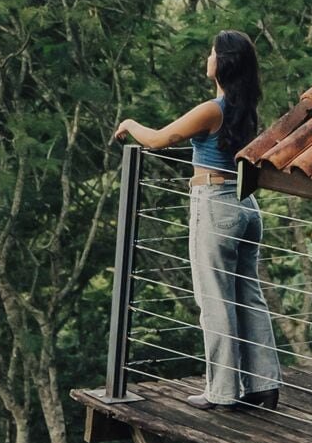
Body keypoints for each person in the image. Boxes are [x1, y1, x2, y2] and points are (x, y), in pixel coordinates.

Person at [114, 31, 283, 410]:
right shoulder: (246, 105)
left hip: (215, 205)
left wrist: (130, 123)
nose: (207, 57)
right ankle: (263, 385)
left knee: (215, 301)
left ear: (222, 61)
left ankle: (222, 390)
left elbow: (158, 139)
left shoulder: (214, 109)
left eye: (211, 52)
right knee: (248, 297)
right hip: (245, 206)